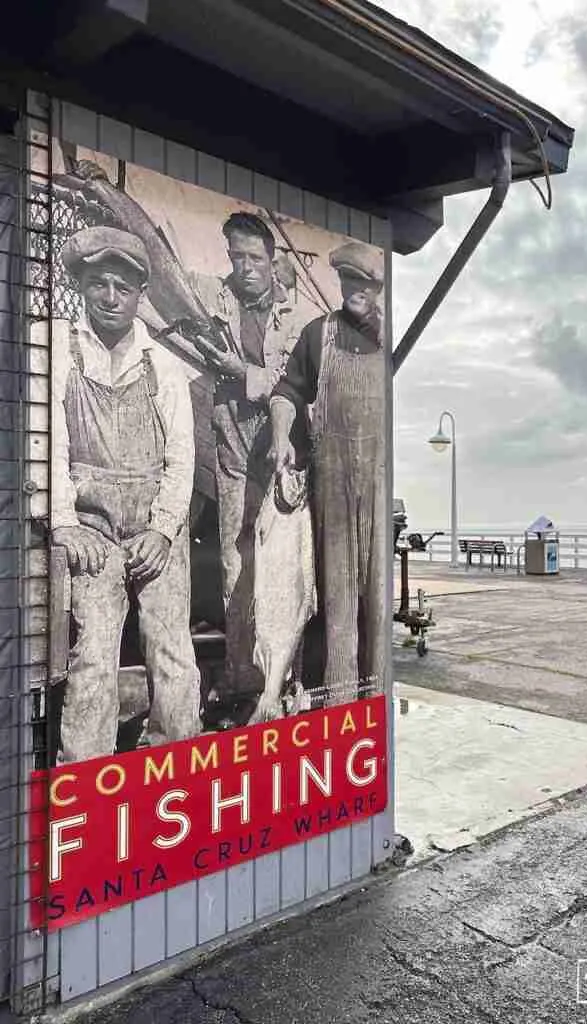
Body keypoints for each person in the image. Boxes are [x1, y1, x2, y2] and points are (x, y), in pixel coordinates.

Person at [51, 226, 201, 762]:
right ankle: (84, 775)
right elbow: (47, 443)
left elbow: (181, 459)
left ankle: (178, 762)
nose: (110, 298)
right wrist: (64, 520)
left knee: (172, 650)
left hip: (155, 526)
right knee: (92, 656)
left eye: (122, 286)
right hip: (91, 527)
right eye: (98, 284)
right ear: (81, 285)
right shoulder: (57, 350)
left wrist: (162, 531)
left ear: (140, 294)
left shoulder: (164, 365)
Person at [269, 241, 386, 706]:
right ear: (340, 283)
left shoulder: (391, 339)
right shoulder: (319, 334)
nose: (357, 290)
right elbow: (285, 393)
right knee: (334, 602)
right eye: (349, 281)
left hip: (378, 488)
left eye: (367, 283)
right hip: (332, 489)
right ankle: (337, 704)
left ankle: (376, 699)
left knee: (378, 603)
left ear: (379, 288)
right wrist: (281, 438)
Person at [191, 213, 297, 720]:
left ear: (272, 260)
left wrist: (243, 372)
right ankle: (239, 678)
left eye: (255, 258)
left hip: (280, 454)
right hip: (232, 446)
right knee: (236, 563)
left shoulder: (293, 315)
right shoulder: (215, 300)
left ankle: (283, 677)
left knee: (282, 568)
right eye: (237, 257)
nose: (246, 267)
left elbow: (289, 382)